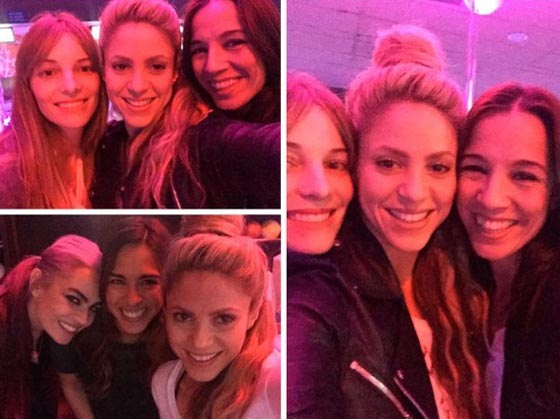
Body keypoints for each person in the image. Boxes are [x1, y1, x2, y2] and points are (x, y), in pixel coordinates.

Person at [288, 25, 489, 419]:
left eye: (437, 166)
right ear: (353, 165)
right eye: (388, 163)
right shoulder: (321, 296)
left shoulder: (467, 282)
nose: (414, 192)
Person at [91, 0, 280, 209]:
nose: (138, 86)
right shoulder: (102, 144)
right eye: (121, 66)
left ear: (175, 71)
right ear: (103, 69)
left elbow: (264, 148)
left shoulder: (199, 143)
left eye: (157, 66)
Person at [457, 82, 560, 419]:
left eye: (524, 176)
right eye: (475, 168)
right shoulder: (453, 281)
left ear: (554, 192)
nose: (491, 198)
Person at [51, 217, 171, 419]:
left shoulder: (178, 338)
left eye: (148, 281)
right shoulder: (78, 326)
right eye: (117, 281)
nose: (132, 299)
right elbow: (71, 382)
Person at [152, 233, 280, 418]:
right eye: (183, 317)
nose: (200, 342)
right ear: (165, 312)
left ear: (253, 314)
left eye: (224, 319)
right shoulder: (163, 383)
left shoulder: (273, 381)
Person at [0, 11, 107, 208]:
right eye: (49, 72)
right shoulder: (8, 177)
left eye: (84, 68)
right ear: (27, 85)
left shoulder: (110, 151)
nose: (71, 86)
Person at [0, 235, 102, 419]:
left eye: (93, 308)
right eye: (74, 299)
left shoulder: (51, 335)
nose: (84, 319)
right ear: (37, 283)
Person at [182, 0, 280, 123]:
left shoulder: (292, 125)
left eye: (233, 43)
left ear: (269, 43)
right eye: (200, 50)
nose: (212, 66)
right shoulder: (199, 126)